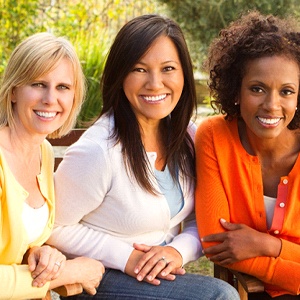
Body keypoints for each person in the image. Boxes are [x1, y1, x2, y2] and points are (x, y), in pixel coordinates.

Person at [47, 14, 239, 299]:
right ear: (120, 75)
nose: (155, 83)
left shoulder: (187, 136)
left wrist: (177, 250)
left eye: (168, 69)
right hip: (99, 278)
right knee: (218, 296)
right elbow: (54, 227)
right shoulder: (99, 150)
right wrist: (126, 257)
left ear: (183, 74)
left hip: (154, 279)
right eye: (139, 69)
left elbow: (204, 216)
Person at [195, 10, 300, 300]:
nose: (272, 105)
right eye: (257, 89)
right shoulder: (215, 137)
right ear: (236, 91)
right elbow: (215, 244)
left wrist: (265, 245)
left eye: (287, 92)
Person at [0, 32, 104, 300]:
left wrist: (40, 252)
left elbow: (16, 241)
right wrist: (69, 271)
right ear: (13, 91)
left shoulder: (43, 151)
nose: (50, 99)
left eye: (62, 87)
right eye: (38, 84)